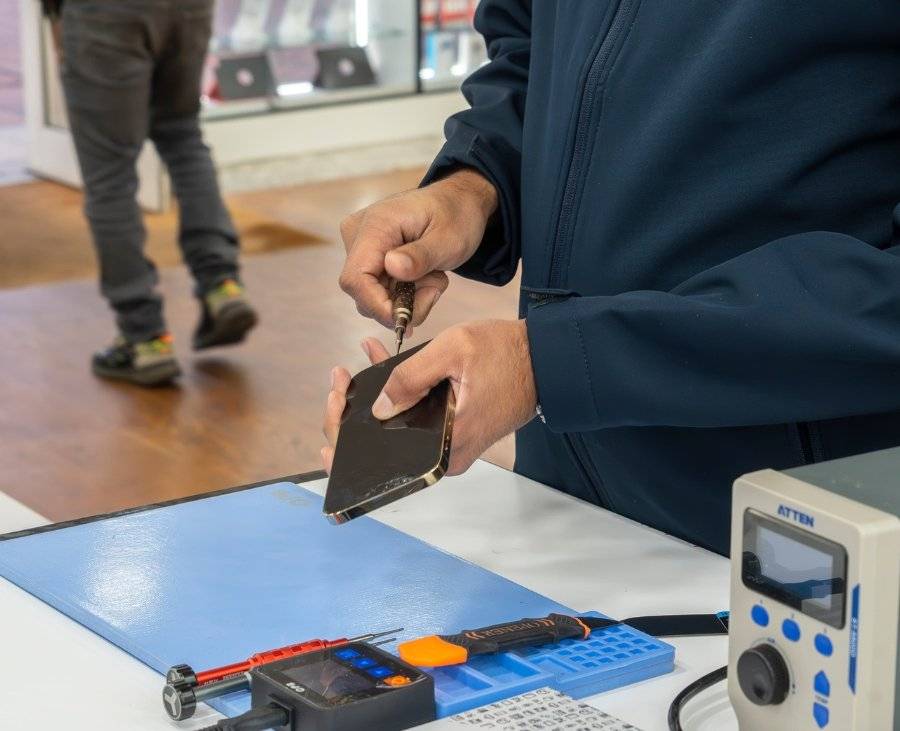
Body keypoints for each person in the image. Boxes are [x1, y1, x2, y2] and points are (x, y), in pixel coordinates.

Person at [323, 2, 900, 555]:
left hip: (798, 523)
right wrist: (474, 184)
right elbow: (531, 48)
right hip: (567, 494)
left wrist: (551, 364)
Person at [42, 0, 257, 386]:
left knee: (110, 175)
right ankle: (221, 284)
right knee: (183, 136)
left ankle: (145, 338)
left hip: (104, 13)